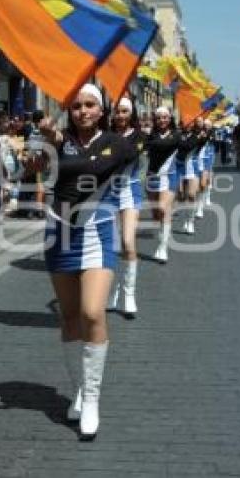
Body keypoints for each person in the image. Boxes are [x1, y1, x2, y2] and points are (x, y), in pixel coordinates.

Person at [29, 84, 135, 440]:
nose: (83, 111)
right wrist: (43, 144)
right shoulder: (57, 139)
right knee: (70, 316)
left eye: (90, 105)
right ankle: (77, 389)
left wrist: (57, 145)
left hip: (98, 233)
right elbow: (36, 169)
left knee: (93, 312)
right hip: (58, 233)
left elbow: (95, 167)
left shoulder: (117, 142)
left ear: (102, 109)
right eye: (76, 106)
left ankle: (92, 399)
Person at [106, 97, 145, 319]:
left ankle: (129, 294)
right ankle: (113, 289)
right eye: (117, 112)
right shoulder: (104, 135)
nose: (120, 116)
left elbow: (130, 153)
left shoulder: (139, 136)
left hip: (129, 190)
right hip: (106, 193)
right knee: (110, 246)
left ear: (131, 114)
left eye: (124, 111)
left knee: (128, 243)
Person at [145, 107, 180, 263]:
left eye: (165, 117)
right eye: (159, 118)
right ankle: (163, 233)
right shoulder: (150, 135)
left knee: (163, 209)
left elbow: (166, 145)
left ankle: (163, 247)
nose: (162, 121)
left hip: (170, 176)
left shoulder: (176, 135)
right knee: (155, 214)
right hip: (152, 176)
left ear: (170, 119)